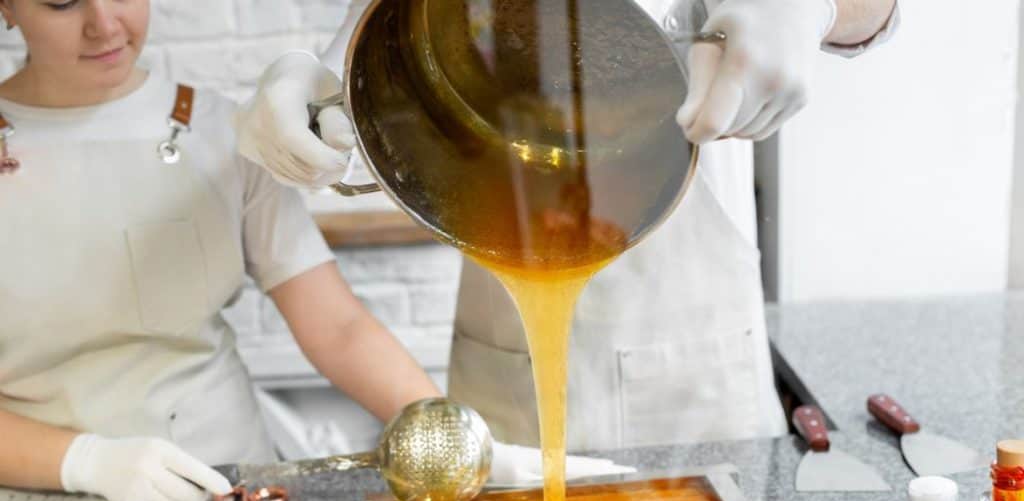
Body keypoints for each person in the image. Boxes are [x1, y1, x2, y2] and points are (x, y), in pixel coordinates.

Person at [235, 0, 899, 451]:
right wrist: (320, 92)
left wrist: (818, 5)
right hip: (508, 319)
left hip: (691, 327)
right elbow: (384, 66)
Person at [0, 0, 441, 501]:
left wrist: (443, 432)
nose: (104, 25)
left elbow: (339, 327)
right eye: (61, 2)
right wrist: (85, 461)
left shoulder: (223, 132)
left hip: (231, 489)